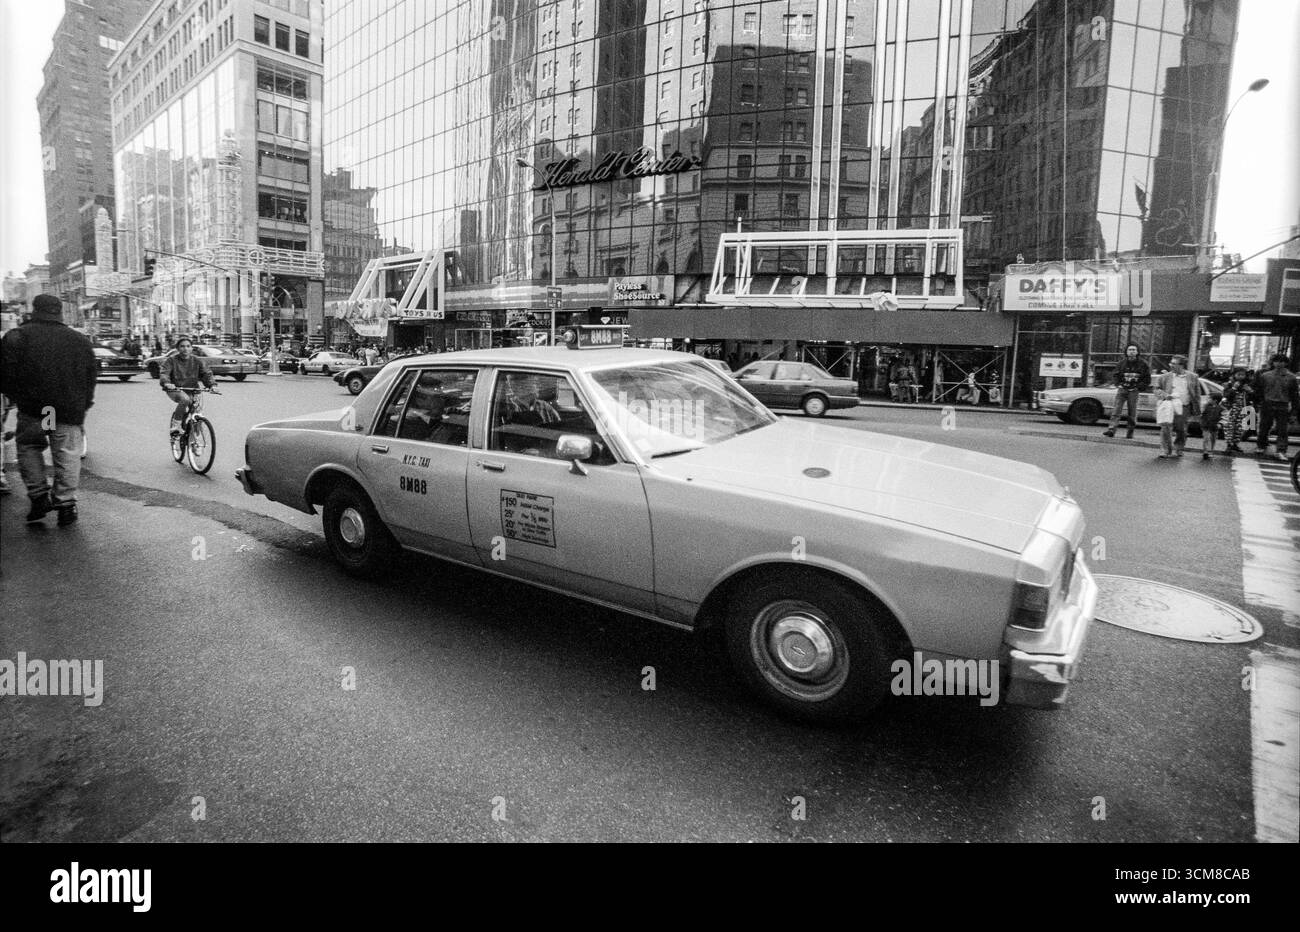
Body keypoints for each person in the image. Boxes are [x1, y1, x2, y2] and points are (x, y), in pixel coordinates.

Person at [0, 294, 97, 525]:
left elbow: (5, 374)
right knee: (66, 455)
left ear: (35, 310)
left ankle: (39, 497)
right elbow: (90, 376)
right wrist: (84, 404)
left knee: (30, 448)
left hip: (35, 409)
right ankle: (65, 504)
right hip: (66, 410)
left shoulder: (18, 336)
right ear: (59, 311)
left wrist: (18, 397)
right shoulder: (79, 340)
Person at [159, 335, 215, 438]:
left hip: (193, 389)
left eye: (188, 346)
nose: (185, 349)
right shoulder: (171, 360)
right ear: (178, 348)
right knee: (185, 400)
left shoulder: (197, 360)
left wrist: (212, 385)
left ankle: (195, 440)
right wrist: (167, 383)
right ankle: (176, 426)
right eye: (182, 346)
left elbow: (207, 373)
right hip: (175, 389)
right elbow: (164, 373)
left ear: (192, 348)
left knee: (197, 414)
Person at [1152, 354, 1200, 458]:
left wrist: (1197, 410)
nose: (1171, 365)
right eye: (1171, 363)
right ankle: (1165, 450)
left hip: (1184, 406)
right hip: (1168, 405)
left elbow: (1197, 394)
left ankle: (1179, 448)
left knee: (1181, 429)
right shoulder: (1164, 377)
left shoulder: (1193, 377)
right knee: (1165, 428)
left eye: (1174, 363)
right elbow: (1156, 389)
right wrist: (1164, 395)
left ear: (1181, 365)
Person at [1253, 353, 1299, 461]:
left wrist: (1294, 412)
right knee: (1264, 426)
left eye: (1282, 361)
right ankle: (1261, 446)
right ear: (1273, 363)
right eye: (1277, 361)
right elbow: (1259, 391)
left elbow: (1294, 395)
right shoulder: (1265, 376)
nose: (1279, 364)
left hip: (1282, 405)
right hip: (1267, 403)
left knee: (1282, 430)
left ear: (1286, 363)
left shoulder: (1291, 377)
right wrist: (1260, 402)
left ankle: (1281, 450)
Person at [1102, 344, 1151, 438]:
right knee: (1116, 410)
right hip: (1122, 389)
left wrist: (1138, 387)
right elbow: (1115, 375)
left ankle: (1130, 432)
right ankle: (1111, 430)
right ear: (1126, 351)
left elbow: (1147, 379)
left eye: (1134, 349)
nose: (1132, 351)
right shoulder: (1121, 363)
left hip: (1134, 391)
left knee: (1132, 412)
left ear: (1137, 352)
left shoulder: (1143, 364)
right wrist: (1118, 384)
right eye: (1130, 349)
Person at [1221, 368, 1253, 454]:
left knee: (1240, 428)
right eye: (1238, 374)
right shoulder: (1229, 385)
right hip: (1231, 409)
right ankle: (1229, 445)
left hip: (1243, 409)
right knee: (1229, 427)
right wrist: (1234, 388)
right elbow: (1226, 395)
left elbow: (1253, 396)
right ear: (1234, 375)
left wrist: (1250, 391)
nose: (1241, 377)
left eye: (1243, 375)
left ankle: (1235, 444)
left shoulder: (1246, 385)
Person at [1199, 393, 1222, 460]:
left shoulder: (1220, 408)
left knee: (1213, 439)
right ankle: (1205, 451)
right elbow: (1201, 415)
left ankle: (1211, 451)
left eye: (1209, 398)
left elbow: (1223, 417)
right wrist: (1202, 422)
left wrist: (1220, 424)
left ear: (1215, 400)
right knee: (1206, 438)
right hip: (1206, 425)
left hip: (1215, 426)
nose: (1208, 399)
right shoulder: (1206, 406)